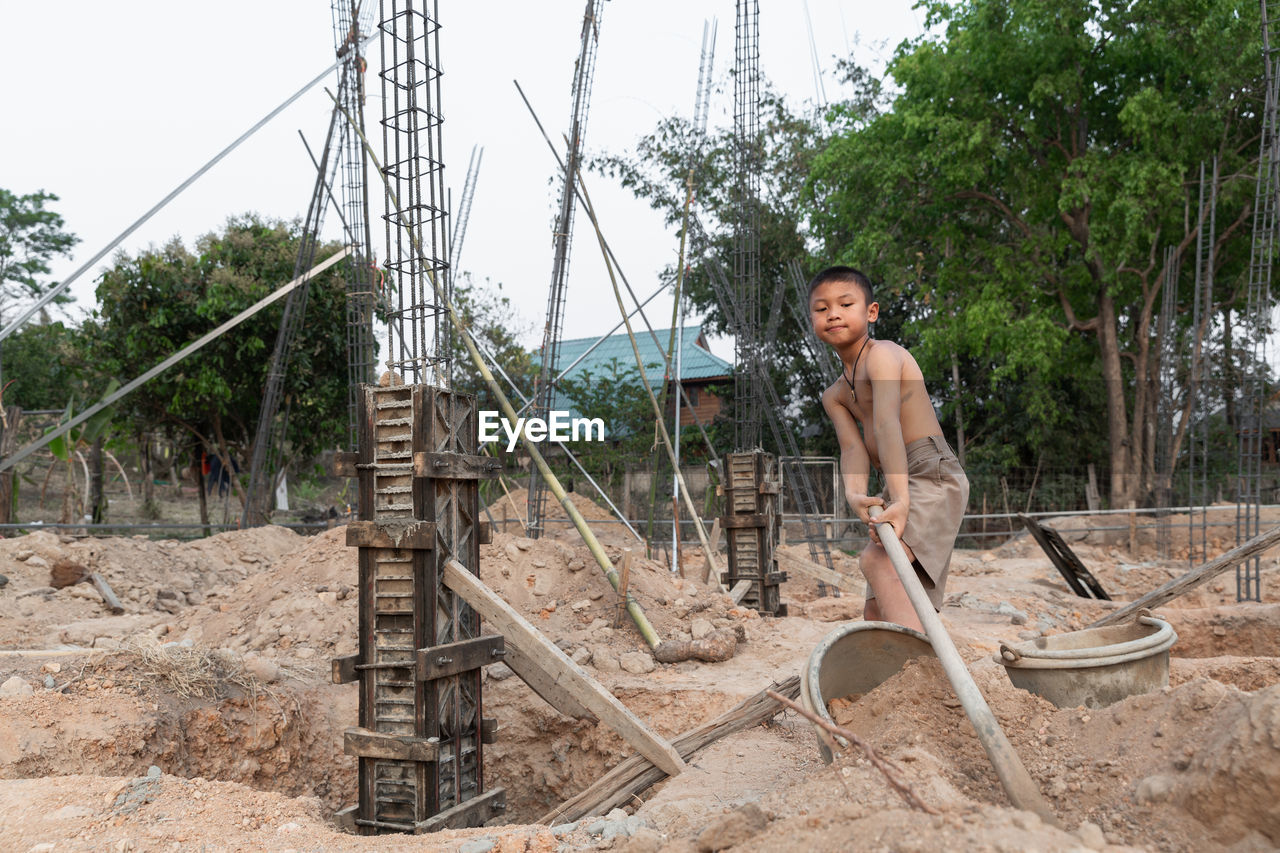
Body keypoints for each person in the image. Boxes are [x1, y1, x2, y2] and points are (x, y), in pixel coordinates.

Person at [809, 266, 969, 633]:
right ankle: (899, 678)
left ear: (871, 312)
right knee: (876, 612)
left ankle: (924, 668)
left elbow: (886, 425)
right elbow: (852, 448)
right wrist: (854, 494)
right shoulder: (834, 395)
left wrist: (900, 501)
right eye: (821, 308)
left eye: (845, 303)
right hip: (896, 480)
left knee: (879, 562)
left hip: (931, 473)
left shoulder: (883, 355)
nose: (833, 313)